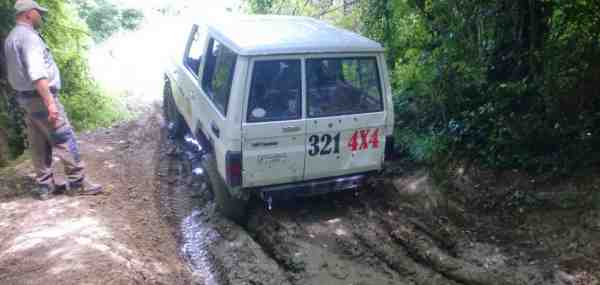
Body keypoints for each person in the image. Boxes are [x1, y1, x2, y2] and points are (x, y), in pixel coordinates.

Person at [4, 0, 103, 200]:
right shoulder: (29, 38)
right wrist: (50, 102)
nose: (41, 16)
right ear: (29, 14)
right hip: (40, 97)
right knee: (63, 136)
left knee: (38, 141)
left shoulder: (11, 37)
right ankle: (78, 182)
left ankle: (45, 186)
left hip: (25, 99)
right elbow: (37, 73)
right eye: (38, 12)